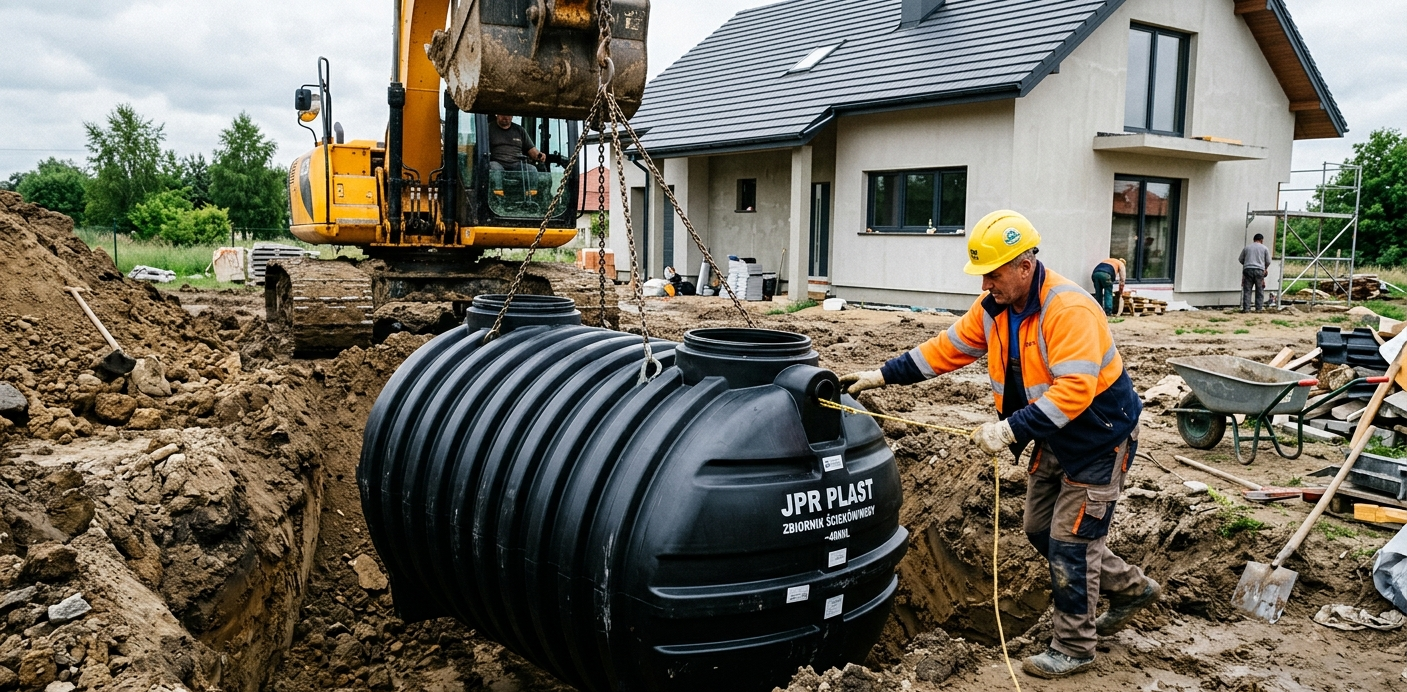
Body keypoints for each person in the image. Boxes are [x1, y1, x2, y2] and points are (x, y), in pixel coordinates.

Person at [840, 211, 1159, 680]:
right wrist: (881, 375)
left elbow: (1073, 391)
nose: (986, 283)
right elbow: (945, 349)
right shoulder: (994, 307)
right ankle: (1131, 588)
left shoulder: (1067, 310)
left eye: (993, 272)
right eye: (983, 274)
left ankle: (1075, 646)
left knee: (1072, 542)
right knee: (1037, 529)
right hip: (1053, 433)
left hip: (1098, 438)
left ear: (1025, 266)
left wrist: (1010, 430)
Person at [1239, 233, 1272, 312]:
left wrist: (1247, 263)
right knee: (1259, 290)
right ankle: (1259, 308)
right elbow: (1268, 261)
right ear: (1261, 240)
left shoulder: (1247, 248)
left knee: (1247, 290)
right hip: (1259, 270)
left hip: (1248, 270)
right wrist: (1265, 268)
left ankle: (1246, 309)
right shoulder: (1264, 248)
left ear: (1254, 240)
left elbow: (1240, 259)